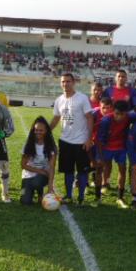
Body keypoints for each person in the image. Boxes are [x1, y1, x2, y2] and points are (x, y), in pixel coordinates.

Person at [49, 73, 94, 205]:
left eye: (68, 81)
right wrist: (46, 131)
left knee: (82, 171)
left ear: (74, 83)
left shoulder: (82, 98)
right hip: (65, 141)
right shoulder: (59, 100)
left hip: (81, 141)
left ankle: (80, 197)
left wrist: (88, 139)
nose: (65, 84)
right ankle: (68, 195)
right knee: (67, 170)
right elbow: (56, 118)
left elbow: (90, 117)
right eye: (63, 82)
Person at [97, 100, 135, 208]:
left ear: (126, 113)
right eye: (117, 113)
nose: (119, 117)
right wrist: (99, 156)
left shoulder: (129, 117)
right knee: (104, 167)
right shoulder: (106, 120)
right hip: (107, 148)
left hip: (121, 148)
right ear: (113, 111)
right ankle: (102, 187)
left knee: (122, 169)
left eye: (122, 114)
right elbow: (99, 139)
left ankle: (120, 197)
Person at [20, 116, 56, 205]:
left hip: (42, 177)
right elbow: (23, 165)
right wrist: (40, 171)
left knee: (37, 182)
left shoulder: (51, 146)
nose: (38, 132)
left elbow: (52, 167)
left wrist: (50, 187)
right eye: (36, 130)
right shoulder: (28, 144)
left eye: (41, 130)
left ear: (46, 131)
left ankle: (41, 194)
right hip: (28, 176)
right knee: (25, 201)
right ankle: (30, 192)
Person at [90, 97, 113, 204]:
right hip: (93, 143)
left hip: (105, 145)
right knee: (91, 164)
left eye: (108, 108)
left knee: (103, 165)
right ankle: (85, 184)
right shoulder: (93, 114)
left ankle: (102, 187)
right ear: (100, 106)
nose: (106, 110)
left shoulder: (113, 116)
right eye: (104, 108)